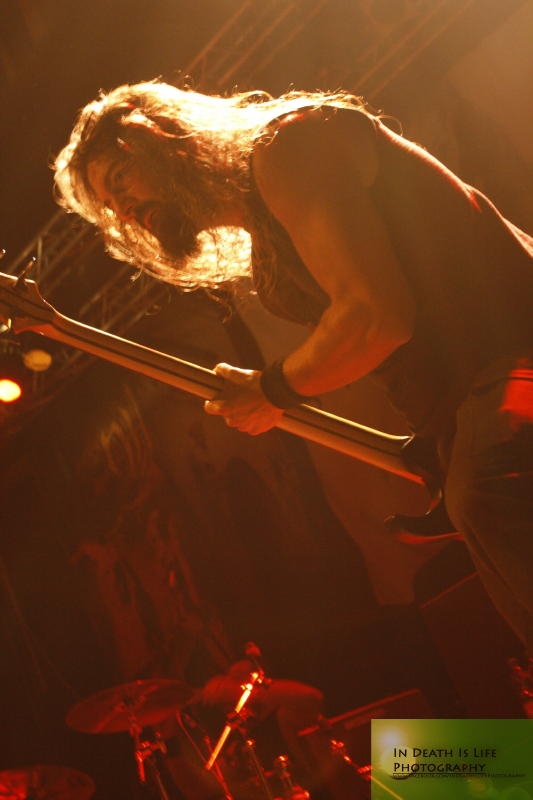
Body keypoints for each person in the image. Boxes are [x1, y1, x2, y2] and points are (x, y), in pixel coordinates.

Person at [53, 80, 533, 658]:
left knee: (486, 489)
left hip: (512, 350)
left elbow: (377, 316)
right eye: (109, 208)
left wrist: (272, 388)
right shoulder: (263, 227)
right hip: (464, 400)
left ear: (159, 135)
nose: (124, 210)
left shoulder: (289, 146)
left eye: (120, 180)